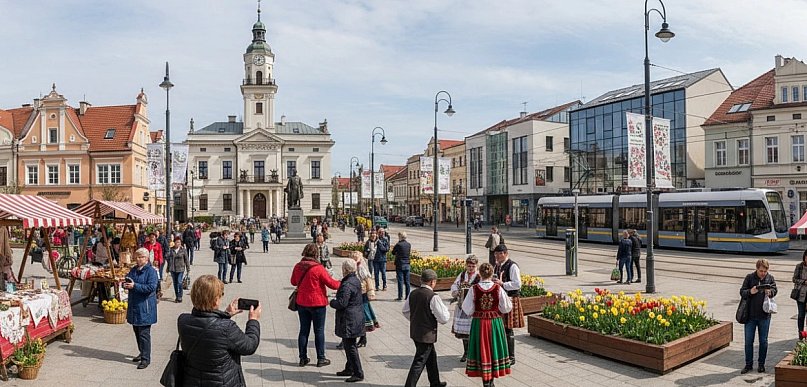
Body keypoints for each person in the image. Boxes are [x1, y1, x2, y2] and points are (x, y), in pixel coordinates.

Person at [178, 274, 261, 386]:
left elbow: (207, 325)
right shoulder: (226, 327)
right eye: (221, 295)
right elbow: (250, 346)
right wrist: (253, 320)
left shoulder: (183, 320)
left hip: (192, 381)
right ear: (216, 300)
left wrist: (226, 314)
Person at [291, 243, 341, 367]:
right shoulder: (318, 268)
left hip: (302, 303)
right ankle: (321, 358)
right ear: (316, 254)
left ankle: (303, 358)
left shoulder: (298, 266)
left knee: (303, 330)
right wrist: (342, 282)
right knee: (319, 331)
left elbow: (293, 282)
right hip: (317, 303)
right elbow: (332, 284)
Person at [462, 262, 512, 386]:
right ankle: (491, 380)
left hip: (479, 323)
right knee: (494, 348)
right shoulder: (498, 288)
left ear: (479, 273)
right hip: (495, 323)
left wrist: (476, 311)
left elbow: (467, 308)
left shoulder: (474, 289)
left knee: (481, 349)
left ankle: (485, 381)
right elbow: (506, 307)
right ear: (491, 274)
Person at [402, 269, 450, 387]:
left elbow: (405, 311)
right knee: (419, 361)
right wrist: (446, 311)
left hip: (415, 331)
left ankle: (435, 382)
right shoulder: (433, 296)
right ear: (432, 282)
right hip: (426, 334)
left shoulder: (413, 293)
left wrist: (416, 320)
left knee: (431, 357)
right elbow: (443, 318)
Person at [330, 260, 365, 383]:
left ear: (345, 269)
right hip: (355, 315)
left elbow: (342, 303)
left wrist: (332, 302)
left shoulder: (347, 284)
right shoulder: (355, 280)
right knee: (348, 344)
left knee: (350, 346)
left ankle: (358, 372)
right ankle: (349, 368)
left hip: (349, 318)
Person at [740, 258, 778, 374]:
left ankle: (761, 365)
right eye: (761, 271)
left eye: (765, 271)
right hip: (750, 316)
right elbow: (742, 292)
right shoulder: (750, 277)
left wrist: (770, 292)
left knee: (763, 341)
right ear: (756, 269)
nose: (763, 273)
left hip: (764, 316)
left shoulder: (770, 278)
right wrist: (750, 292)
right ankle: (748, 364)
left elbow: (775, 289)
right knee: (748, 342)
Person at [123, 248, 158, 369]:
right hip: (134, 306)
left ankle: (145, 359)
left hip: (145, 307)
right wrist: (125, 284)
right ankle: (142, 352)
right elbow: (128, 279)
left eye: (141, 257)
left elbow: (151, 287)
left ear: (146, 258)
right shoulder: (134, 270)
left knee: (144, 334)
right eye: (137, 257)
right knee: (137, 332)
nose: (138, 259)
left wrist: (135, 286)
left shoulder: (151, 271)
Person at [492, 244, 523, 366]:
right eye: (495, 254)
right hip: (501, 299)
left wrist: (502, 284)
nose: (496, 257)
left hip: (510, 298)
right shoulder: (497, 265)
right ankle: (503, 354)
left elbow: (517, 284)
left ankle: (511, 357)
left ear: (504, 253)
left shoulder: (512, 266)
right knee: (502, 327)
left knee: (508, 328)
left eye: (498, 254)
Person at [451, 255, 480, 362]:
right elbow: (454, 285)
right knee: (464, 332)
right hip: (462, 305)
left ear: (476, 266)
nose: (471, 268)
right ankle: (466, 352)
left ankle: (474, 353)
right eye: (469, 266)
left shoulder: (479, 276)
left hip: (474, 307)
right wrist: (456, 291)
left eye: (473, 266)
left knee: (473, 331)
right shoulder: (462, 274)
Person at [167, 237, 189, 303]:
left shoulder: (183, 250)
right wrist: (168, 268)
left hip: (180, 269)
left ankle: (180, 296)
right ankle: (177, 296)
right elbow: (169, 260)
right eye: (176, 242)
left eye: (179, 242)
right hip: (173, 269)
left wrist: (188, 268)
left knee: (179, 282)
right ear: (174, 243)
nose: (178, 243)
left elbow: (186, 259)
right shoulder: (171, 249)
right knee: (175, 283)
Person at [391, 231, 412, 301]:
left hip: (400, 264)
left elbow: (393, 252)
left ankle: (400, 296)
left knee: (400, 281)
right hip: (407, 264)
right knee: (407, 281)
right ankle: (407, 296)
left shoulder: (398, 244)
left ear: (400, 237)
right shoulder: (409, 244)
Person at [793, 250, 807, 338]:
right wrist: (804, 282)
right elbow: (794, 279)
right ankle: (801, 333)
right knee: (801, 315)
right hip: (801, 295)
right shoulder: (799, 266)